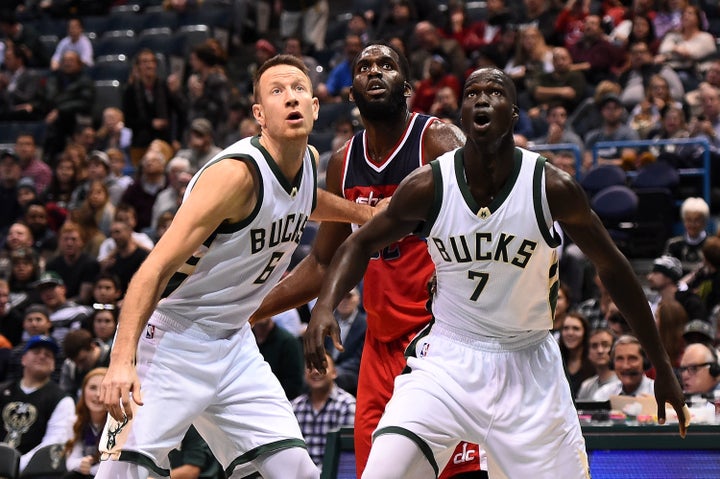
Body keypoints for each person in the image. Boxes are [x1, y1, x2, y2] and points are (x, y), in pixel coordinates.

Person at [302, 67, 688, 478]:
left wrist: (661, 366)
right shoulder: (430, 184)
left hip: (527, 364)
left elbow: (614, 267)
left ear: (514, 114)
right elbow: (359, 242)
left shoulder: (550, 186)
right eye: (472, 93)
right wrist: (324, 305)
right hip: (448, 360)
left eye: (495, 93)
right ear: (463, 114)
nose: (482, 100)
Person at [96, 54, 376, 479]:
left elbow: (303, 201)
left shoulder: (308, 161)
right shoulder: (234, 177)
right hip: (169, 336)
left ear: (316, 107)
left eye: (299, 88)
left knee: (296, 469)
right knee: (126, 473)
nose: (291, 98)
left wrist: (363, 214)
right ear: (260, 115)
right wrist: (121, 360)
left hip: (234, 343)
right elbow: (152, 270)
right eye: (277, 91)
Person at [252, 43, 483, 478]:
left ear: (408, 87)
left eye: (387, 65)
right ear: (350, 92)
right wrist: (248, 312)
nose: (375, 72)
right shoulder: (343, 162)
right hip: (379, 349)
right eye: (364, 67)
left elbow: (484, 232)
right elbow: (323, 264)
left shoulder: (437, 141)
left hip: (441, 340)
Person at [0, 334, 75, 472]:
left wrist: (13, 465)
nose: (42, 356)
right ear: (23, 359)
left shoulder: (62, 400)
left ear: (53, 365)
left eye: (48, 355)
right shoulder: (2, 390)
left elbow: (54, 443)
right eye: (36, 352)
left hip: (31, 472)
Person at [292, 353, 356, 469]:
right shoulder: (295, 407)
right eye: (310, 367)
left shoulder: (347, 405)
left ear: (334, 372)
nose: (316, 371)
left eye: (322, 367)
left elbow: (346, 457)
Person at [64, 367, 107, 478]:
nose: (98, 394)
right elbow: (70, 462)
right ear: (83, 392)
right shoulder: (74, 421)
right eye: (92, 388)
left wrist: (90, 470)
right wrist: (81, 463)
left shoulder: (119, 423)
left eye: (104, 388)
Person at [593, 335, 656, 400]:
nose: (625, 366)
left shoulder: (657, 393)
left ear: (645, 362)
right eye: (620, 359)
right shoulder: (604, 394)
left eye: (632, 359)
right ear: (612, 363)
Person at [60, 329, 111, 401]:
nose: (79, 367)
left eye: (82, 360)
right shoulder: (70, 365)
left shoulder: (112, 358)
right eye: (75, 362)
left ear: (92, 346)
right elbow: (66, 396)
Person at [664, 197, 710, 274]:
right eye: (688, 220)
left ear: (704, 222)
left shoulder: (712, 245)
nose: (692, 224)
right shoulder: (673, 244)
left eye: (697, 220)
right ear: (683, 220)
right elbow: (665, 272)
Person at [576, 328, 620, 400]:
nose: (600, 351)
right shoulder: (586, 386)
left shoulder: (623, 383)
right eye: (594, 346)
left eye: (605, 345)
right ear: (588, 352)